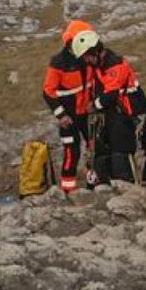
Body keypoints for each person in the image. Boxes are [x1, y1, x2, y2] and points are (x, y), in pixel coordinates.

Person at [44, 20, 101, 193]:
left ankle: (93, 186)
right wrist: (61, 115)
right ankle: (68, 191)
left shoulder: (89, 58)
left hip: (87, 114)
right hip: (68, 117)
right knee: (72, 151)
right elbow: (48, 91)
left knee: (94, 149)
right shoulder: (59, 63)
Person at [86, 32, 146, 184]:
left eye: (88, 57)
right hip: (111, 114)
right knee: (104, 154)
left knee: (122, 153)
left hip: (124, 113)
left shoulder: (115, 64)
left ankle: (128, 185)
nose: (86, 61)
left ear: (96, 52)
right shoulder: (100, 65)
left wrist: (95, 105)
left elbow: (112, 93)